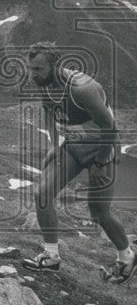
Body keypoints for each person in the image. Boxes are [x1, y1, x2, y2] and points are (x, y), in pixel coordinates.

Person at [20, 42, 134, 283]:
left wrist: (102, 161)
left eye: (38, 68)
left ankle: (126, 256)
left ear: (56, 65)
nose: (34, 74)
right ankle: (51, 257)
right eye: (31, 68)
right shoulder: (43, 82)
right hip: (73, 146)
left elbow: (110, 128)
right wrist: (53, 143)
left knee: (99, 213)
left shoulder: (83, 89)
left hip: (102, 147)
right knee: (42, 193)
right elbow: (48, 110)